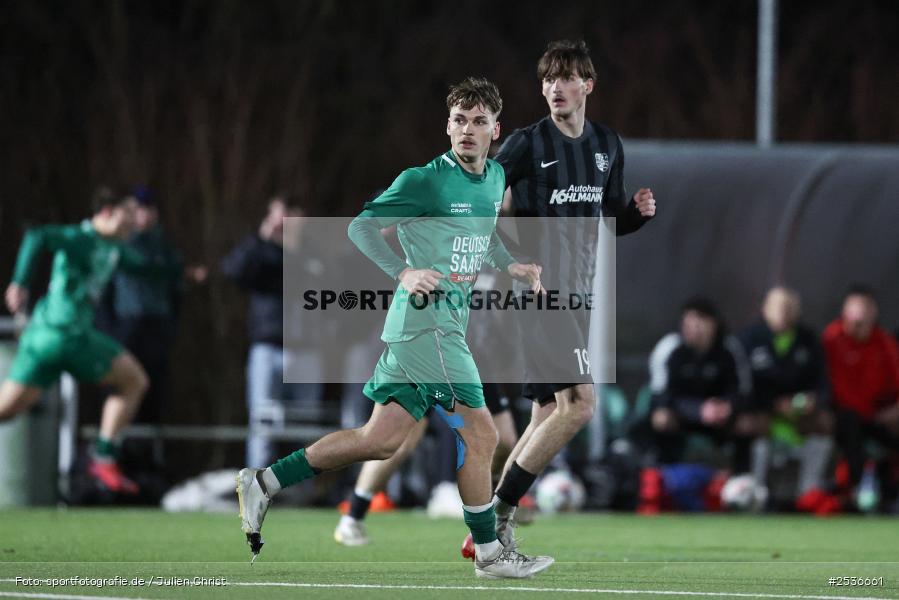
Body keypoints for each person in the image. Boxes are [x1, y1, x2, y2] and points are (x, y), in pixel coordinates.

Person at [236, 77, 552, 579]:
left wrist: (511, 264)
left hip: (429, 332)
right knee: (483, 435)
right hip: (428, 328)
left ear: (496, 130)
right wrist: (403, 271)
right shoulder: (424, 181)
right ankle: (489, 552)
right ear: (447, 125)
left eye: (478, 122)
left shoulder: (494, 179)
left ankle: (264, 482)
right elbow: (359, 226)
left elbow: (483, 235)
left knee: (379, 440)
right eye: (459, 120)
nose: (467, 130)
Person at [486, 40, 656, 545]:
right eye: (547, 79)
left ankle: (486, 531)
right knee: (580, 405)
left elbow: (612, 217)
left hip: (578, 298)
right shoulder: (526, 144)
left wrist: (636, 215)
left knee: (547, 414)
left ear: (588, 85)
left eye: (565, 77)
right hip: (541, 296)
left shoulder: (607, 145)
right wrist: (509, 261)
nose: (554, 87)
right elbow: (481, 204)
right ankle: (497, 516)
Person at [0, 186, 177, 494]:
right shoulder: (81, 238)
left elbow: (143, 266)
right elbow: (37, 236)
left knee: (6, 410)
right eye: (127, 213)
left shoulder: (112, 247)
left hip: (41, 339)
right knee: (134, 381)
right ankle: (104, 458)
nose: (133, 220)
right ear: (107, 212)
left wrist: (180, 270)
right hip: (67, 335)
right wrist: (20, 282)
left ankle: (104, 459)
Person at [222, 197, 324, 469]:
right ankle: (256, 482)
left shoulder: (314, 253)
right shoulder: (261, 253)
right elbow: (232, 270)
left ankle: (302, 484)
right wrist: (261, 237)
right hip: (268, 348)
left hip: (306, 350)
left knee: (305, 427)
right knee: (263, 424)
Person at [738, 287, 835, 510]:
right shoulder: (747, 340)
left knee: (825, 422)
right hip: (763, 412)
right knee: (752, 423)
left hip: (799, 414)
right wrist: (772, 405)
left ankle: (809, 491)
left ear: (798, 311)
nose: (783, 312)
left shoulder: (809, 340)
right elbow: (741, 386)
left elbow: (823, 385)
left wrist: (811, 402)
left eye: (789, 307)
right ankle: (755, 492)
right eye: (778, 307)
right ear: (765, 309)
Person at [647, 298, 760, 474]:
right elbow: (660, 395)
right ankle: (663, 473)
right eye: (687, 323)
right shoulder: (670, 347)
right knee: (661, 419)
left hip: (721, 417)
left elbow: (743, 390)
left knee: (747, 423)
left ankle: (741, 477)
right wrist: (698, 410)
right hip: (683, 416)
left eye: (698, 322)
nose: (692, 328)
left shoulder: (730, 348)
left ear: (713, 324)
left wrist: (728, 406)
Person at [822, 286, 899, 511]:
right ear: (845, 313)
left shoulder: (885, 343)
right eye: (855, 313)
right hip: (844, 418)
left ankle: (890, 493)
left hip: (878, 417)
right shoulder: (831, 339)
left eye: (865, 312)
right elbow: (827, 387)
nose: (859, 320)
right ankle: (854, 491)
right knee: (850, 424)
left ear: (873, 314)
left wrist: (894, 411)